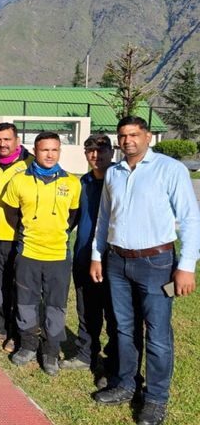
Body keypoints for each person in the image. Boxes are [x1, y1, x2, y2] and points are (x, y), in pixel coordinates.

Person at [91, 116, 200, 425]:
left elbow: (190, 219)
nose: (128, 141)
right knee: (124, 329)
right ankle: (126, 384)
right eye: (123, 136)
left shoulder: (170, 170)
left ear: (148, 137)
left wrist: (187, 266)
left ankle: (155, 399)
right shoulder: (114, 173)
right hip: (117, 263)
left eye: (134, 135)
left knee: (158, 333)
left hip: (158, 264)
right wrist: (98, 256)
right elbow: (104, 219)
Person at [3, 131, 80, 376]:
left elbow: (73, 217)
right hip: (29, 254)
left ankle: (50, 351)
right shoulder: (19, 180)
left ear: (59, 152)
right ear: (35, 151)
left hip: (58, 255)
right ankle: (27, 345)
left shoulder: (71, 183)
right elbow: (12, 214)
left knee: (56, 306)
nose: (49, 154)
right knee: (26, 302)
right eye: (44, 150)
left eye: (54, 150)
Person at [60, 135, 119, 387]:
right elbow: (69, 220)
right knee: (86, 310)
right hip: (84, 258)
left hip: (114, 261)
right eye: (90, 151)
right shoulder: (80, 184)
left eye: (101, 150)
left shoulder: (120, 181)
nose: (96, 155)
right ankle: (86, 355)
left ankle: (113, 362)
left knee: (116, 315)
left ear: (111, 151)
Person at [0, 122, 33, 351]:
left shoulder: (30, 164)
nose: (2, 144)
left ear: (17, 141)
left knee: (17, 288)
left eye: (7, 139)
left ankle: (15, 332)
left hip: (20, 239)